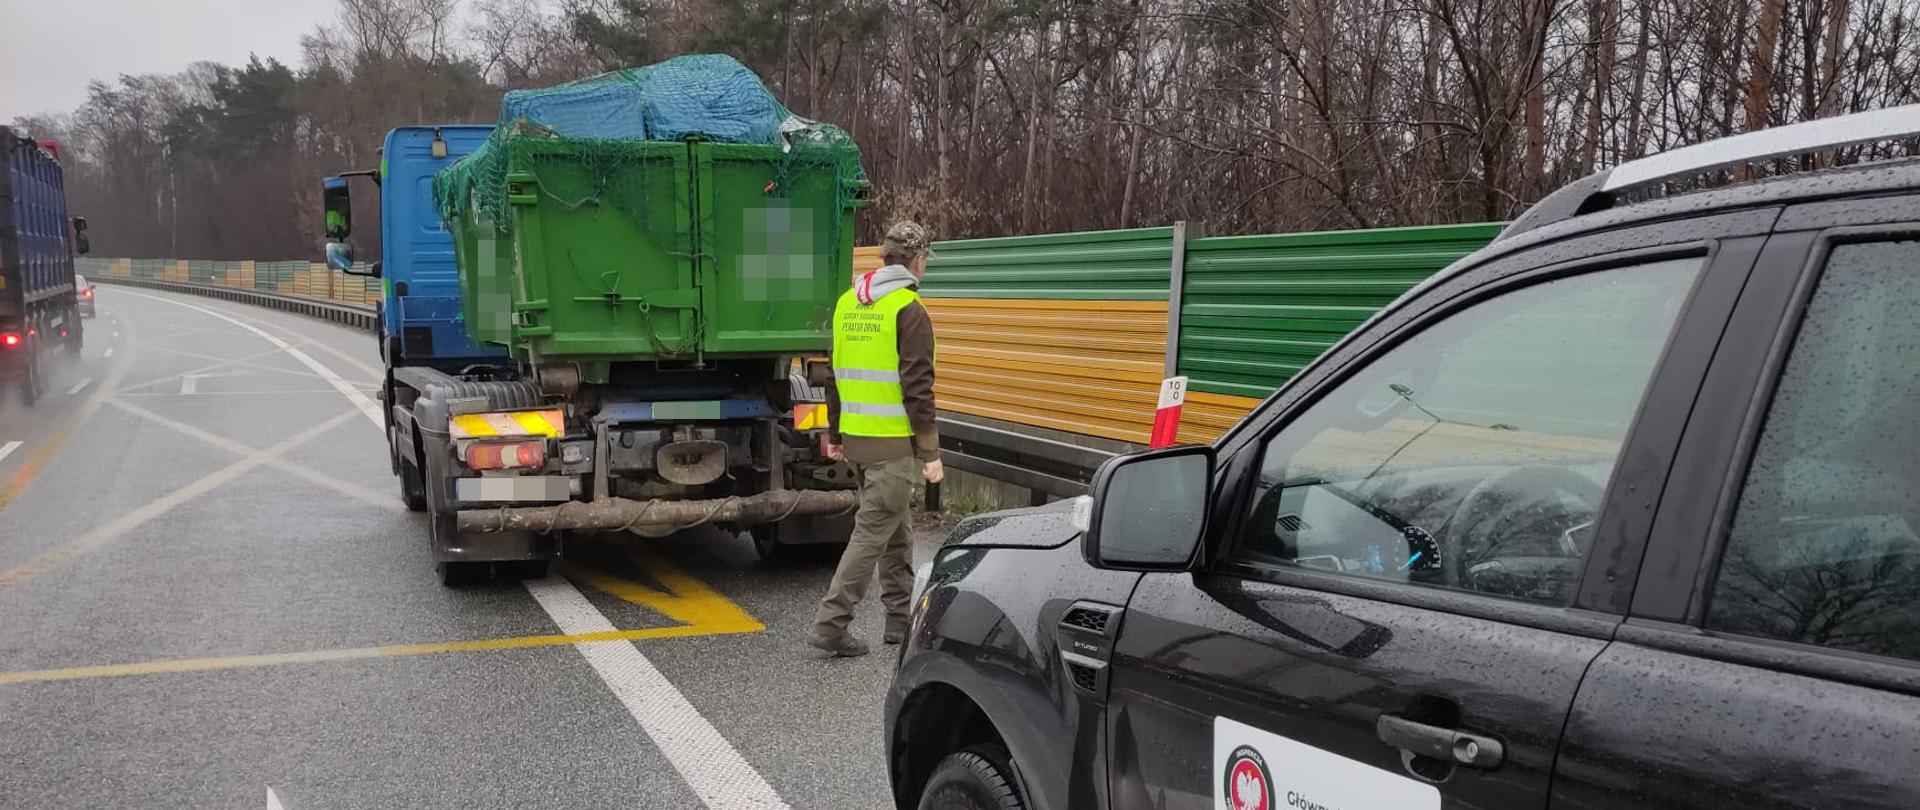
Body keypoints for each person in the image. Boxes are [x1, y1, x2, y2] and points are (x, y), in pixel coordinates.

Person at [809, 221, 944, 657]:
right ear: (917, 260)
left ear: (885, 257)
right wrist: (931, 453)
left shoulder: (848, 304)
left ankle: (899, 622)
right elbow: (917, 387)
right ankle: (831, 625)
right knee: (870, 535)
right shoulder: (909, 309)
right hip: (892, 443)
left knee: (896, 528)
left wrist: (834, 433)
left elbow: (833, 374)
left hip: (859, 439)